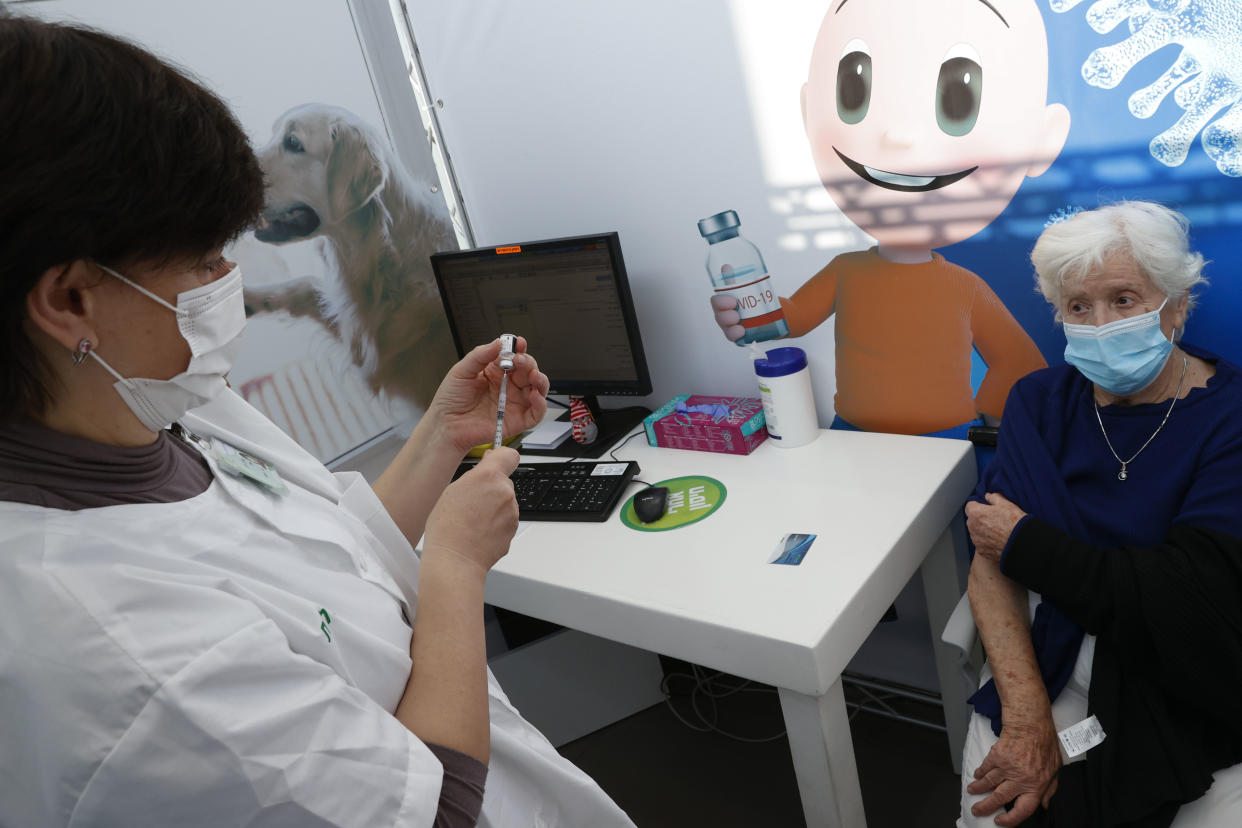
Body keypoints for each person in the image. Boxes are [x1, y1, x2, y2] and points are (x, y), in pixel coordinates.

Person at [0, 16, 634, 827]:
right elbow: (435, 813)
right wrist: (454, 567)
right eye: (202, 260)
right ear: (70, 300)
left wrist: (441, 434)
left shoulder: (172, 405)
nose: (228, 279)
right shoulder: (119, 647)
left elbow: (338, 545)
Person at [958, 202, 1242, 827]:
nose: (1100, 323)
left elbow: (1192, 593)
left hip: (1180, 677)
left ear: (1177, 305)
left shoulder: (1230, 418)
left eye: (1123, 299)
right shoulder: (1039, 401)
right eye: (1078, 307)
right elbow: (991, 561)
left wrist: (1030, 544)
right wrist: (1028, 720)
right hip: (1050, 659)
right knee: (995, 812)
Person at [712, 0, 1063, 437]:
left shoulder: (963, 287)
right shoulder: (847, 271)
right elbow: (794, 318)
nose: (899, 136)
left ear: (1043, 139)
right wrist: (748, 314)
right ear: (810, 111)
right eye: (854, 90)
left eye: (958, 101)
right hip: (852, 435)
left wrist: (987, 425)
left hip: (945, 439)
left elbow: (1019, 362)